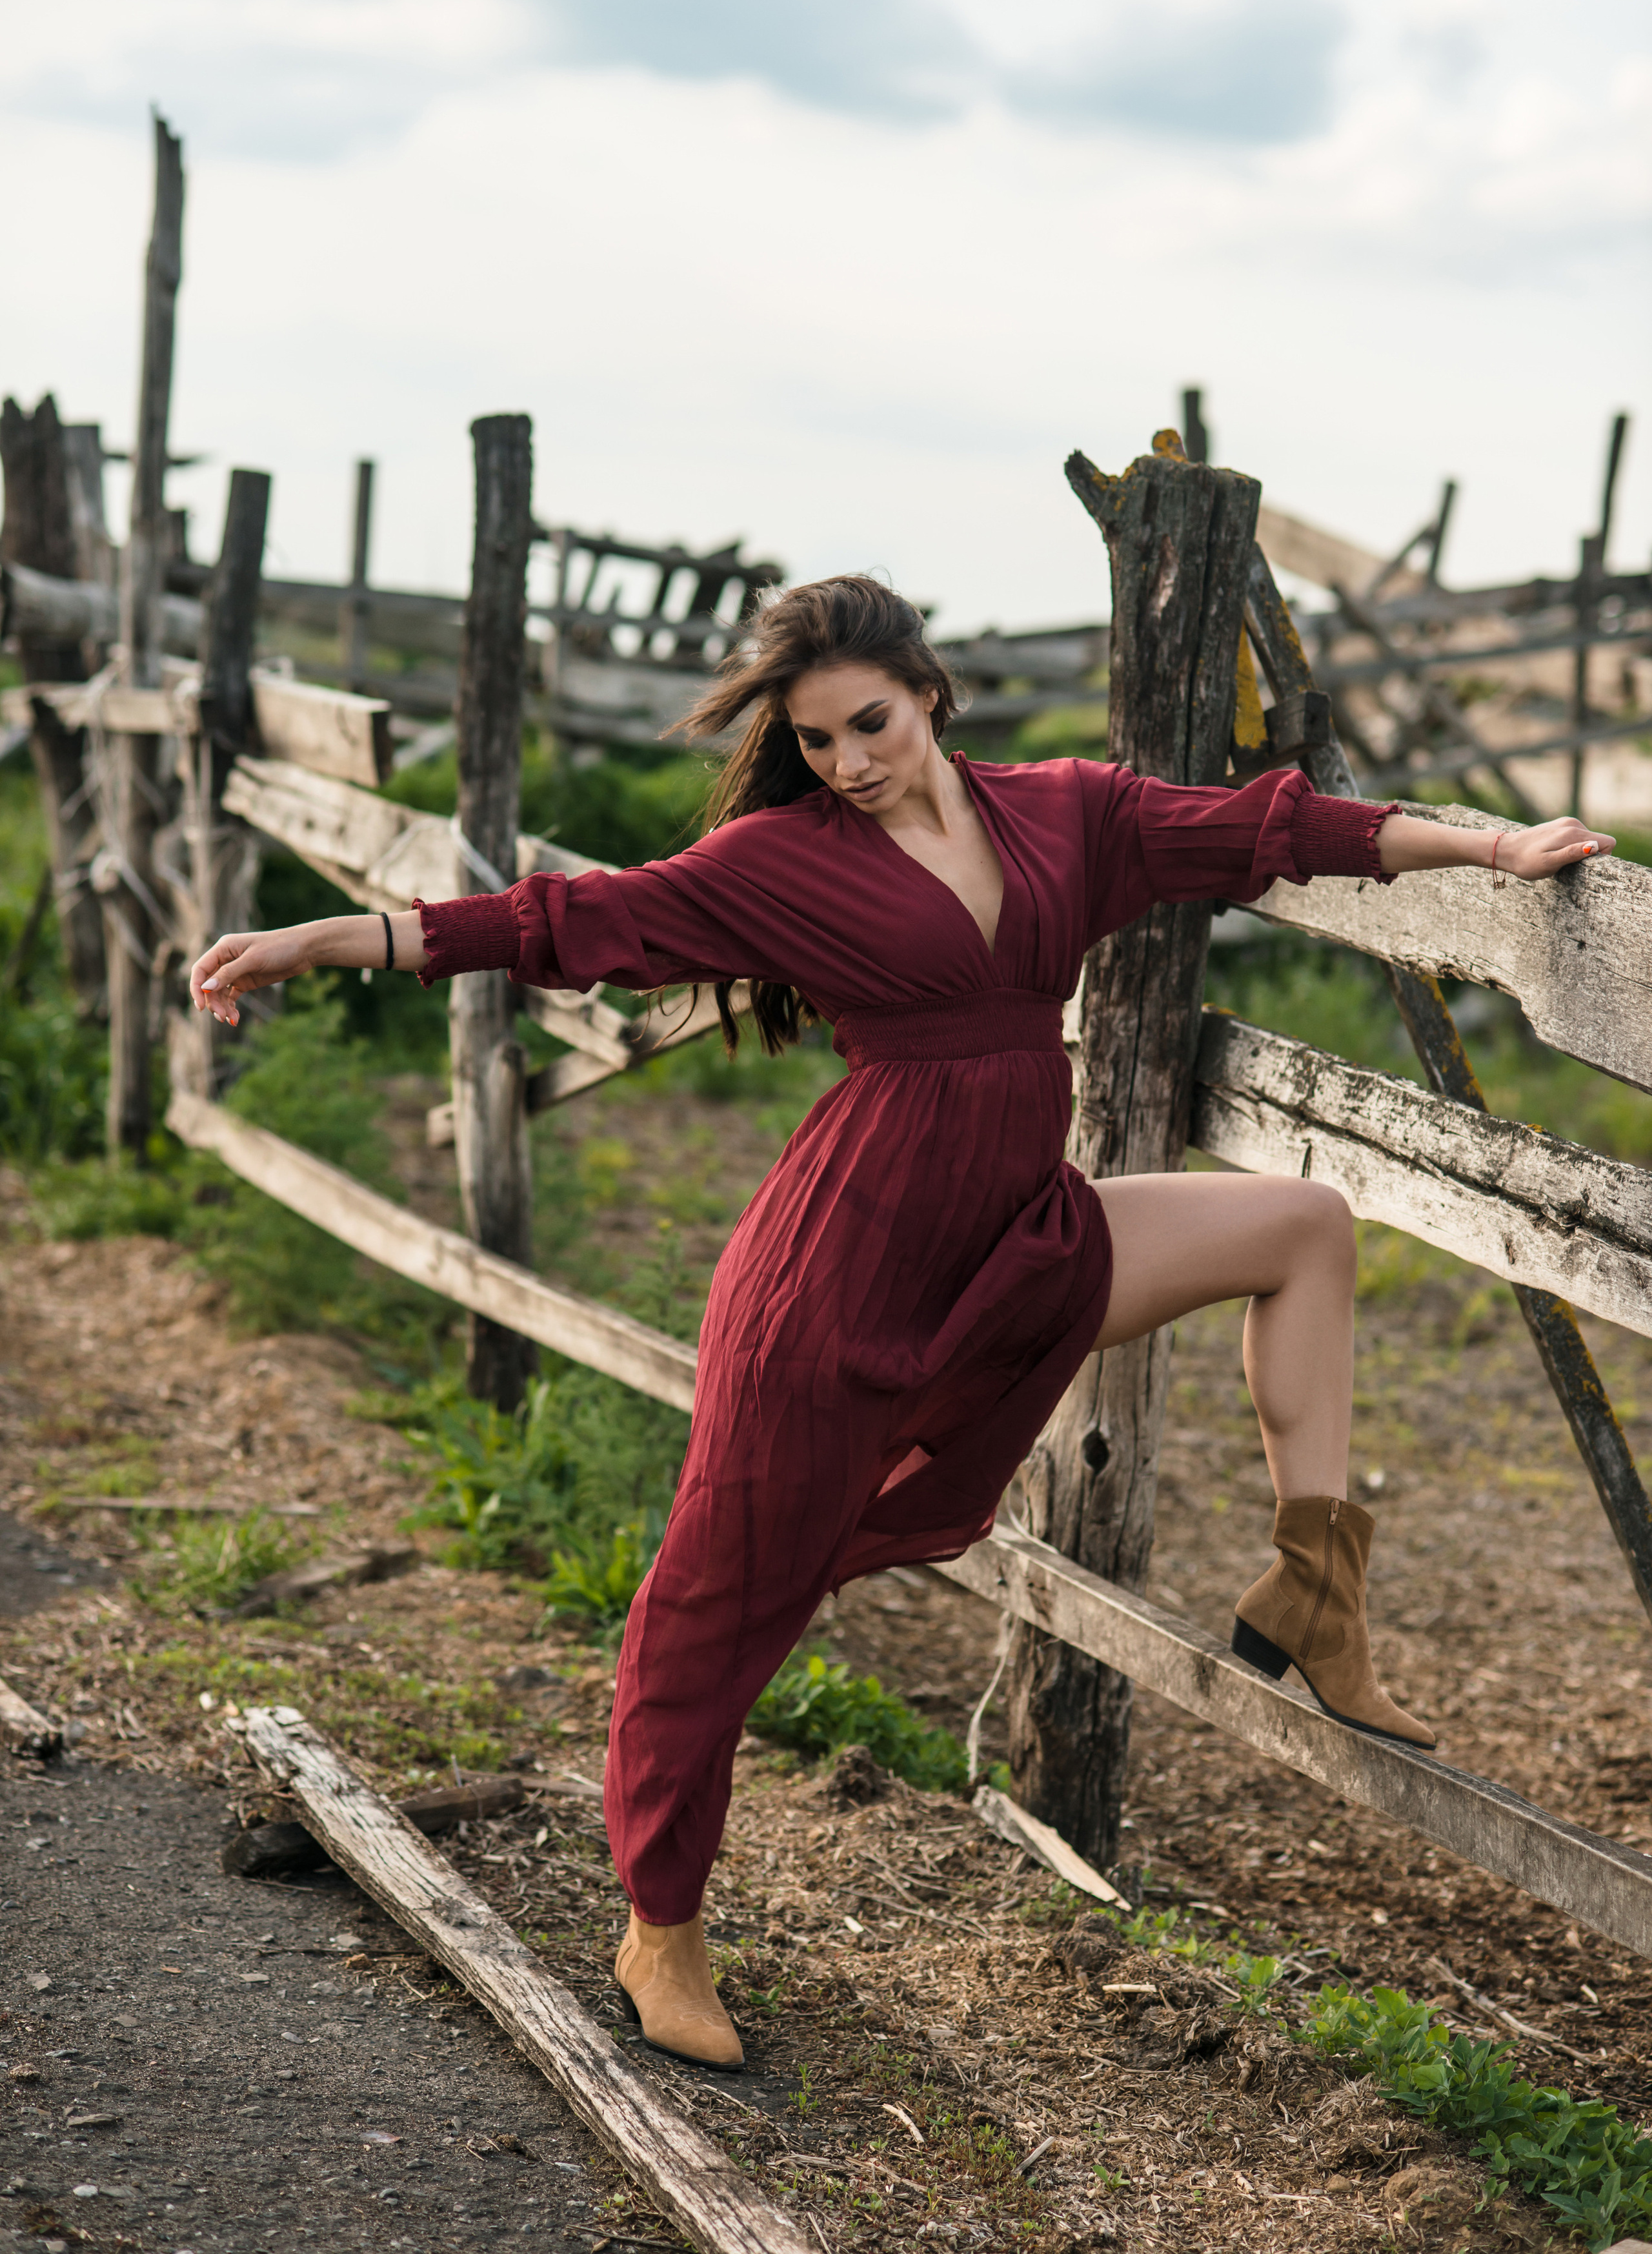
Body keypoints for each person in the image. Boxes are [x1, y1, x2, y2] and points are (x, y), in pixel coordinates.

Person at [190, 575, 1614, 2073]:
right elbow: (569, 922)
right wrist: (327, 940)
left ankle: (1314, 1585)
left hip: (1014, 1242)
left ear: (929, 693)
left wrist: (1497, 844)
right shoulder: (778, 861)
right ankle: (659, 1926)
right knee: (718, 1600)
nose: (848, 762)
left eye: (867, 724)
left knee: (1302, 1226)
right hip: (837, 1275)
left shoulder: (1070, 814)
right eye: (815, 743)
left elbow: (1281, 830)